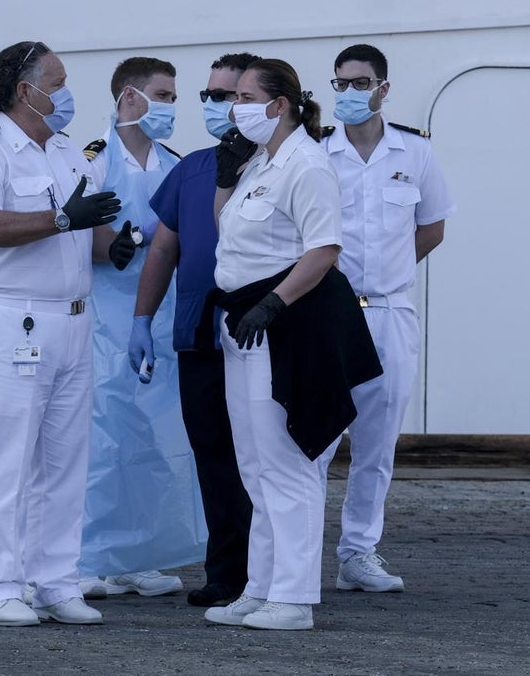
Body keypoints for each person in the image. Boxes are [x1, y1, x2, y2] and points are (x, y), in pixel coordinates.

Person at [0, 40, 136, 627]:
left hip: (72, 322)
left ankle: (55, 581)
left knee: (64, 462)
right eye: (56, 81)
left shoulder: (66, 152)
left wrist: (115, 248)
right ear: (25, 89)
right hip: (10, 319)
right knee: (5, 461)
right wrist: (61, 218)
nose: (65, 92)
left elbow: (81, 236)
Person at [202, 59, 381, 631]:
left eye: (247, 97)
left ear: (279, 105)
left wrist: (275, 302)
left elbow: (323, 248)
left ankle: (295, 597)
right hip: (244, 322)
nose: (236, 107)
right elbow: (228, 229)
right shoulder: (260, 160)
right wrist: (226, 179)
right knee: (255, 465)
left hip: (285, 323)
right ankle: (261, 586)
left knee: (287, 461)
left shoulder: (307, 162)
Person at [129, 53, 260, 608]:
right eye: (206, 95)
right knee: (213, 452)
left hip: (263, 333)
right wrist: (141, 317)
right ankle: (226, 572)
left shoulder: (289, 163)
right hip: (199, 333)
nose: (211, 106)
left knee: (266, 456)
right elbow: (164, 244)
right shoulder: (193, 167)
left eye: (225, 95)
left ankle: (274, 572)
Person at [324, 44, 456, 593]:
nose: (350, 94)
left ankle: (359, 552)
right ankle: (294, 552)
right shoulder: (316, 151)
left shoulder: (415, 152)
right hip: (327, 313)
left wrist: (391, 272)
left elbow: (432, 227)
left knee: (377, 445)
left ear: (383, 88)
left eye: (361, 83)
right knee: (312, 439)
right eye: (340, 84)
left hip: (389, 311)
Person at [77, 57, 206, 599]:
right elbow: (76, 229)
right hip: (106, 320)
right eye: (164, 95)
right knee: (103, 439)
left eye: (174, 96)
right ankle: (87, 558)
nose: (171, 107)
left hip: (160, 317)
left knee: (156, 438)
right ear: (130, 97)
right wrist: (116, 246)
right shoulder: (93, 161)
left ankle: (139, 554)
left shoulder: (174, 164)